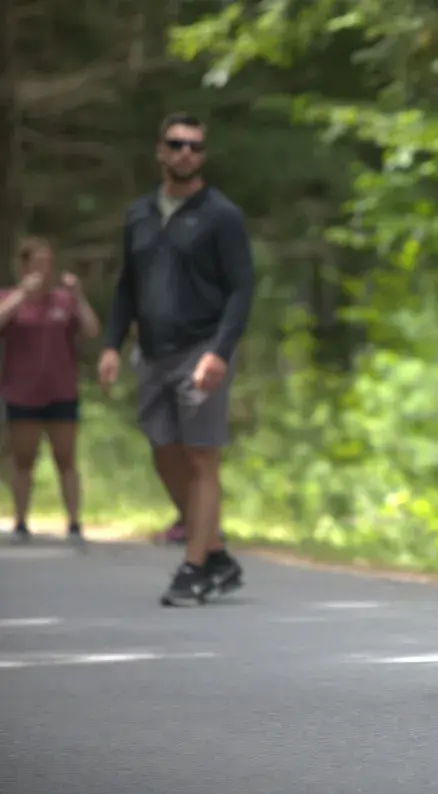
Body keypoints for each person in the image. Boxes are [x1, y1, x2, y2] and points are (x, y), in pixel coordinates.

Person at [97, 112, 255, 607]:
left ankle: (194, 568)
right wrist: (109, 344)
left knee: (201, 455)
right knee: (163, 450)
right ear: (160, 151)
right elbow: (128, 286)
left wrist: (219, 352)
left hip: (199, 350)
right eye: (176, 144)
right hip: (152, 353)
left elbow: (242, 289)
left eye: (195, 146)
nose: (186, 152)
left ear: (202, 155)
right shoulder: (139, 214)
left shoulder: (221, 215)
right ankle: (215, 552)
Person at [0, 236, 101, 542]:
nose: (44, 269)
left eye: (48, 262)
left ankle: (73, 522)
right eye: (37, 263)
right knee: (24, 460)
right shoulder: (9, 298)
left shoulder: (63, 300)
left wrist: (79, 296)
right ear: (24, 265)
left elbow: (92, 331)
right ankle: (20, 522)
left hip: (61, 390)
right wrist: (21, 295)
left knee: (66, 458)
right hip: (21, 391)